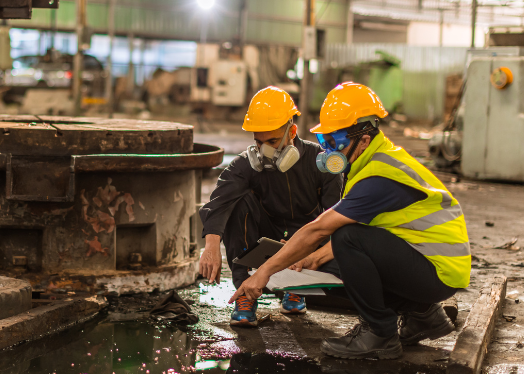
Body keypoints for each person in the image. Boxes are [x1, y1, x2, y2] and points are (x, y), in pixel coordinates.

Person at [229, 82, 470, 359]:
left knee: (346, 238)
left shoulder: (380, 175)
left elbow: (320, 228)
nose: (329, 151)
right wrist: (307, 256)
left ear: (363, 139)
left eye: (335, 143)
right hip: (423, 259)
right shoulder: (370, 160)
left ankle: (380, 334)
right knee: (332, 257)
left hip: (438, 270)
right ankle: (423, 315)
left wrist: (264, 272)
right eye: (325, 142)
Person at [199, 86, 343, 327]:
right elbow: (220, 200)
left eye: (273, 141)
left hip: (307, 238)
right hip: (264, 237)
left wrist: (307, 247)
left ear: (292, 131)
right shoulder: (248, 164)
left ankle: (296, 286)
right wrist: (212, 244)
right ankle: (245, 294)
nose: (266, 150)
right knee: (237, 203)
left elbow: (335, 216)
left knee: (337, 235)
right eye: (259, 142)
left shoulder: (321, 161)